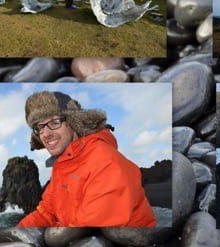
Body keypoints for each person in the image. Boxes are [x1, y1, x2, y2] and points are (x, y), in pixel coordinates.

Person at [17, 91, 157, 228]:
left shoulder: (105, 162)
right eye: (39, 127)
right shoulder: (64, 163)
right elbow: (46, 213)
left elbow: (89, 232)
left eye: (54, 122)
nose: (46, 133)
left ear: (73, 122)